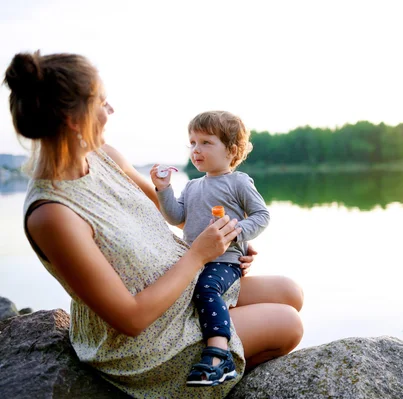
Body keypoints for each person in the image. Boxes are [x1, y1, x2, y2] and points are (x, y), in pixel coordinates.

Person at [4, 51, 303, 399]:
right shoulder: (52, 214)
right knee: (288, 323)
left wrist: (228, 239)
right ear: (74, 119)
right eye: (102, 102)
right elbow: (130, 319)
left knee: (290, 292)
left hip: (182, 284)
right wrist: (199, 255)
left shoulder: (106, 157)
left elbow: (177, 213)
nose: (111, 110)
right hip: (148, 341)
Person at [150, 110, 270, 387]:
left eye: (206, 142)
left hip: (225, 261)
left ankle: (219, 353)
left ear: (232, 150)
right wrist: (163, 189)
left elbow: (262, 215)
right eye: (192, 143)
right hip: (194, 259)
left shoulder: (239, 182)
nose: (196, 149)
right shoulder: (192, 186)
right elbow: (176, 217)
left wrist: (237, 232)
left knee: (206, 287)